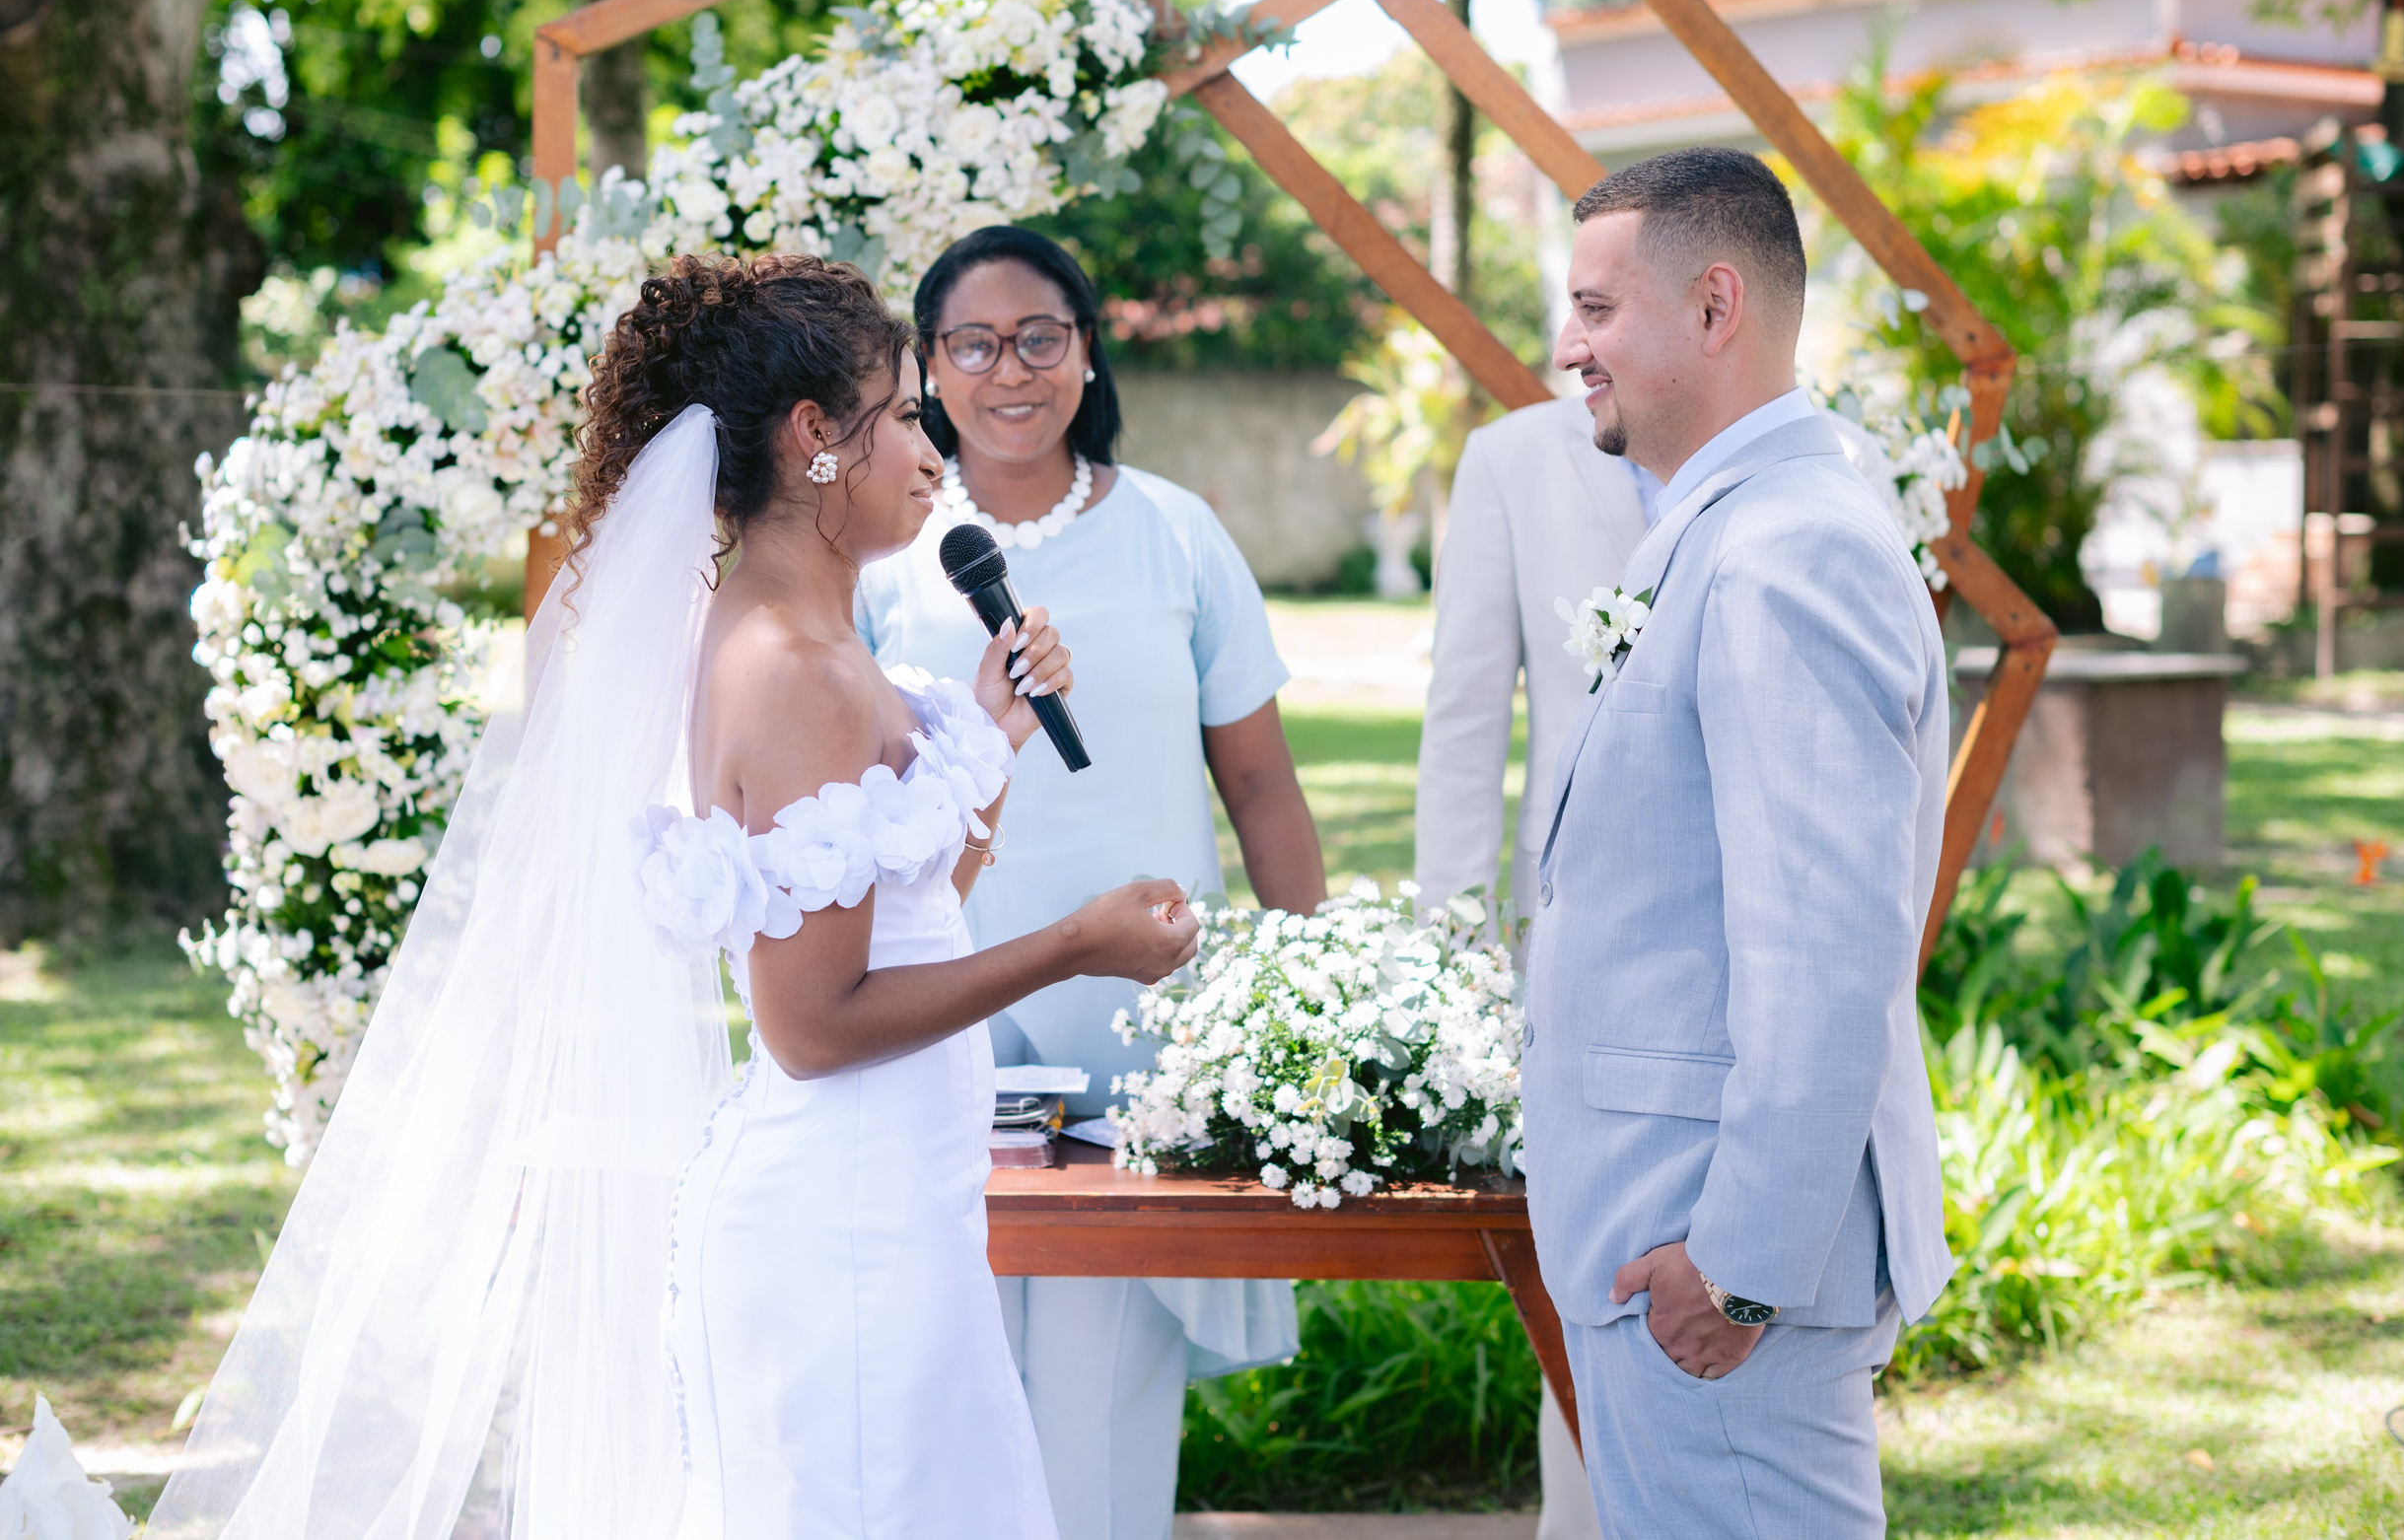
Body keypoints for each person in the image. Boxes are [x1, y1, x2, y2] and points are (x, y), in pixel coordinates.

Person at [148, 253, 1200, 1540]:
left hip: (887, 1214)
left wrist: (987, 740)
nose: (938, 449)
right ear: (816, 439)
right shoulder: (789, 665)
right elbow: (814, 1025)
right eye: (905, 412)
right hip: (842, 1239)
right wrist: (1074, 946)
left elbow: (901, 911)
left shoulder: (809, 637)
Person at [856, 226, 1328, 1540]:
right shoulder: (884, 558)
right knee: (956, 1396)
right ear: (930, 372)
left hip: (1147, 1027)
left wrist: (1310, 1000)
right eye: (972, 343)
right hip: (945, 1014)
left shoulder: (1178, 532)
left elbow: (1265, 789)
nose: (1011, 369)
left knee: (1102, 1398)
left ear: (1087, 349)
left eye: (1040, 336)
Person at [1519, 149, 1954, 1540]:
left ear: (1715, 308)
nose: (1566, 347)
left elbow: (1825, 945)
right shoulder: (1728, 527)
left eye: (1596, 310)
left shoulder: (1785, 552)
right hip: (1667, 1245)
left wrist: (1745, 1265)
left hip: (1714, 1270)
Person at [1412, 389, 1646, 1540]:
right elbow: (1466, 719)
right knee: (1588, 1271)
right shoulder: (1513, 458)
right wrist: (1457, 961)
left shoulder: (1818, 449)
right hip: (1574, 937)